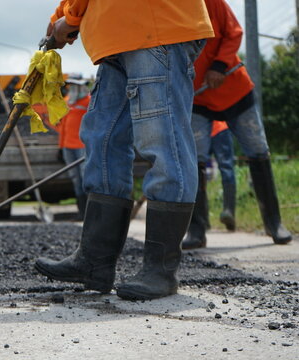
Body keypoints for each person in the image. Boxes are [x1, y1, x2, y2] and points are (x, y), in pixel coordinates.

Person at [34, 1, 214, 300]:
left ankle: (160, 270)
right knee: (102, 138)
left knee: (162, 140)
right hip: (118, 38)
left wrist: (70, 19)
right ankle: (94, 263)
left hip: (154, 28)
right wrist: (62, 19)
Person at [182, 0, 292, 250]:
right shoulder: (166, 9)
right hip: (196, 97)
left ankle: (274, 224)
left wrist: (219, 66)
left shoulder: (212, 3)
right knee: (194, 159)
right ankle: (197, 230)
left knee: (258, 151)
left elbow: (233, 32)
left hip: (234, 90)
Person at [56, 75, 89, 219]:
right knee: (75, 178)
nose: (74, 89)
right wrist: (61, 146)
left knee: (85, 178)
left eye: (76, 86)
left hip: (83, 146)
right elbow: (62, 126)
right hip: (68, 147)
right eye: (72, 86)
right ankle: (82, 212)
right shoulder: (67, 102)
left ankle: (90, 213)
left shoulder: (89, 101)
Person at [210, 121, 236, 231]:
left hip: (219, 127)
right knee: (197, 169)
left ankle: (229, 212)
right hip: (197, 127)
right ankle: (200, 222)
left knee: (226, 168)